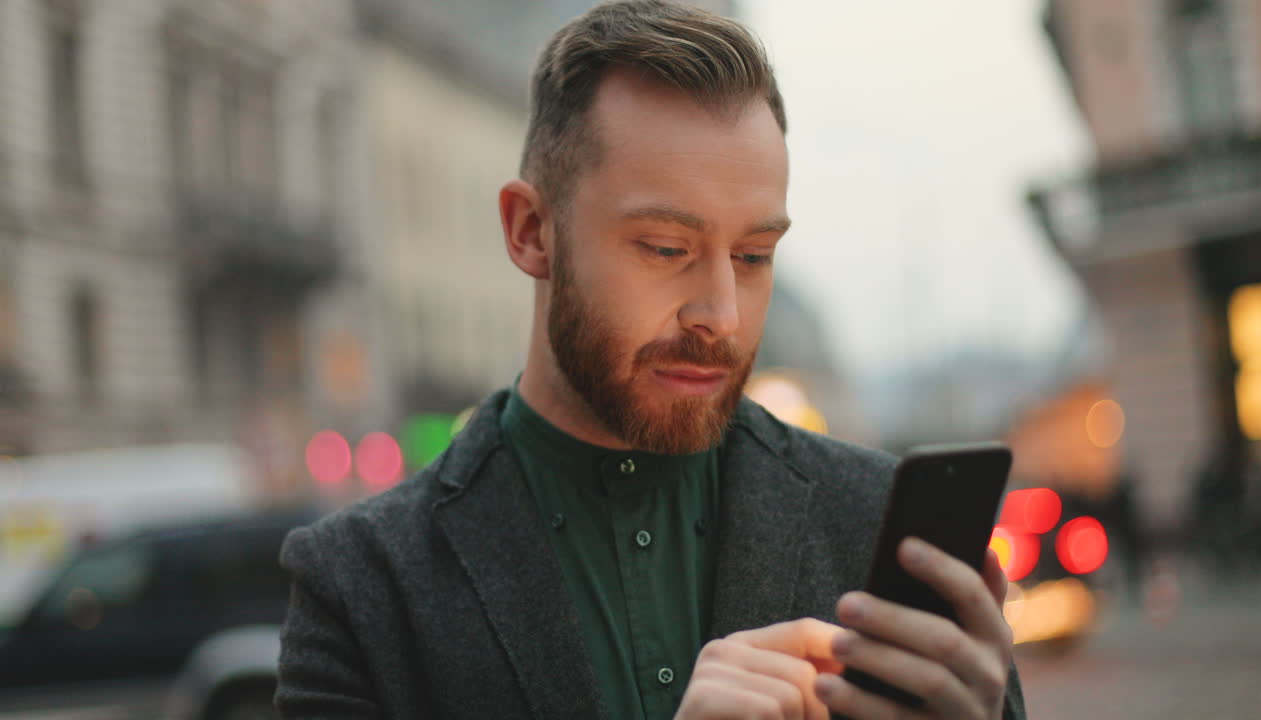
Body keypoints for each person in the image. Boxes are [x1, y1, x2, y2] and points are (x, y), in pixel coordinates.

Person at [274, 2, 1027, 718]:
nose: (721, 314)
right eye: (667, 249)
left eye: (755, 254)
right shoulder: (360, 587)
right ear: (531, 230)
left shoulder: (880, 529)